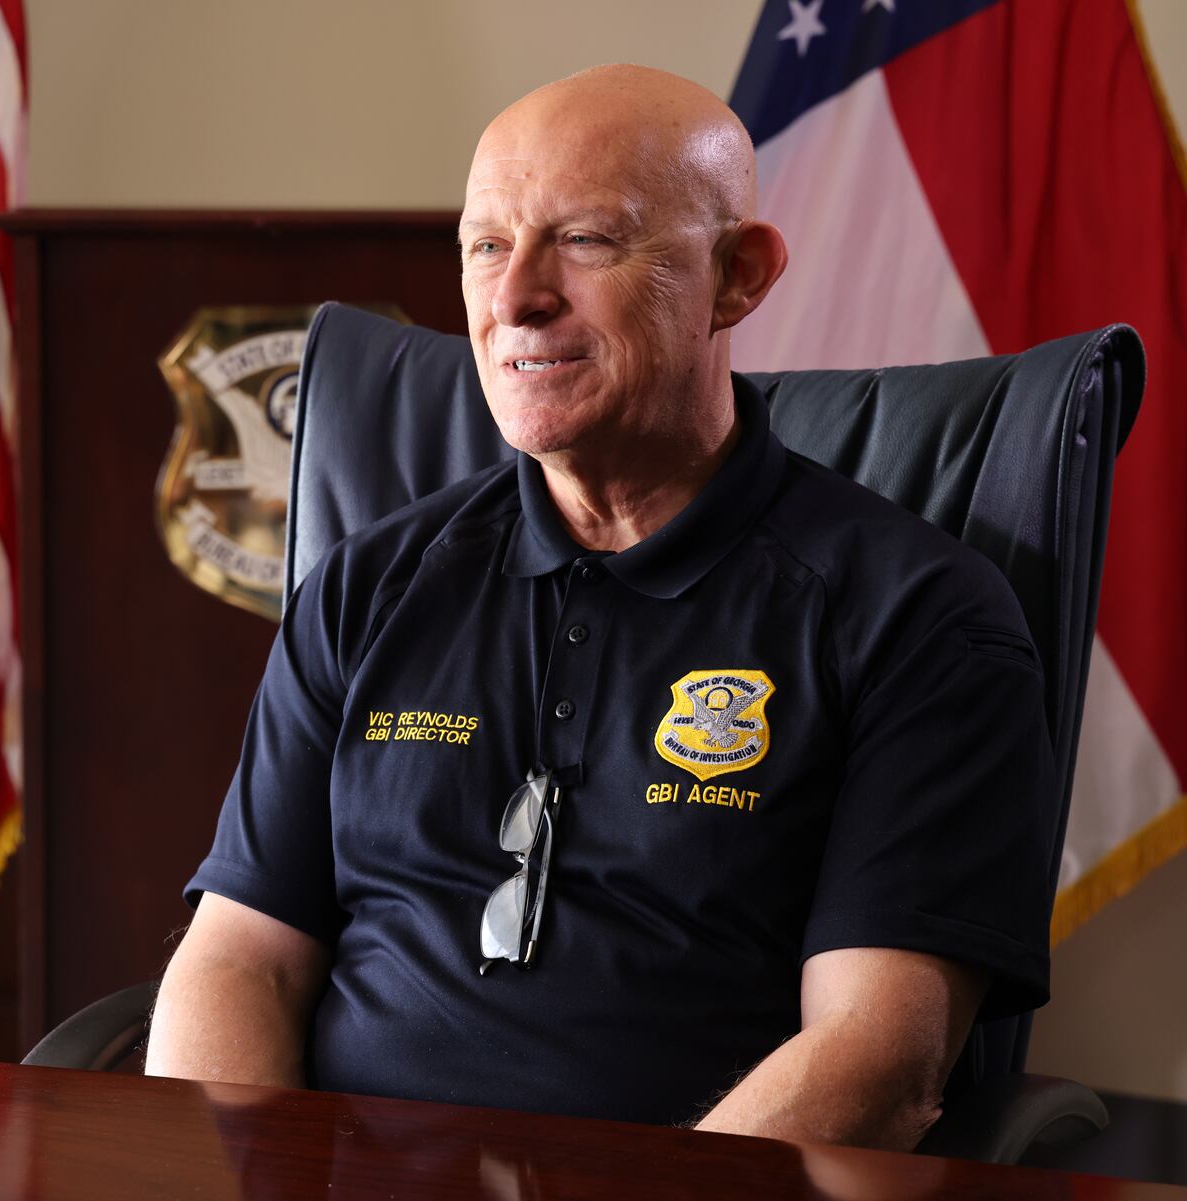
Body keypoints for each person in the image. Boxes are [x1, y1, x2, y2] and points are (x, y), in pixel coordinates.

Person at [145, 64, 1055, 1152]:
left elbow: (876, 1059)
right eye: (486, 245)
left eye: (585, 240)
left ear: (736, 276)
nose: (514, 296)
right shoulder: (366, 587)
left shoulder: (917, 617)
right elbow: (241, 956)